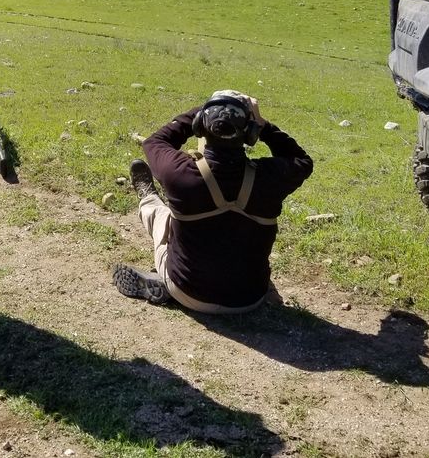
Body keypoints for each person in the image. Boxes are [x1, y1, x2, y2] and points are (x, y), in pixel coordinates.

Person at [113, 90, 312, 313]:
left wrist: (202, 111)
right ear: (250, 134)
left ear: (200, 127)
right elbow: (302, 161)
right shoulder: (271, 178)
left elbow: (154, 142)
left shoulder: (180, 173)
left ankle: (147, 198)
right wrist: (264, 125)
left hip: (188, 292)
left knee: (162, 215)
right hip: (250, 299)